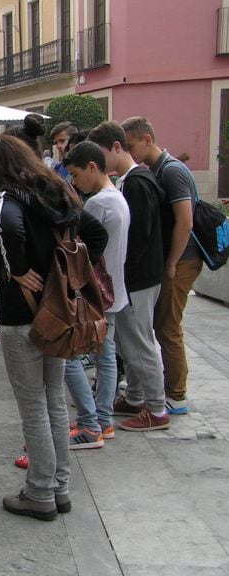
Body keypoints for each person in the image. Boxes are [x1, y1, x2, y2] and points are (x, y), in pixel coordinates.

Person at [0, 135, 107, 521]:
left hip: (23, 314)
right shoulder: (57, 189)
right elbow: (96, 234)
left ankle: (39, 493)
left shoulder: (8, 196)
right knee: (52, 400)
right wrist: (67, 274)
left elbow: (11, 230)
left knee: (33, 406)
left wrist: (18, 270)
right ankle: (59, 488)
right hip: (57, 310)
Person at [87, 121, 170, 432]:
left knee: (140, 342)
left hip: (139, 280)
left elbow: (139, 236)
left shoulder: (136, 182)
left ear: (117, 148)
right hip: (136, 279)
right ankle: (135, 397)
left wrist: (123, 273)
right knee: (130, 342)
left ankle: (157, 408)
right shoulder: (131, 181)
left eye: (101, 154)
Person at [121, 117, 201, 415]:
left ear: (147, 139)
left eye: (131, 145)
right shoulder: (154, 170)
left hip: (183, 258)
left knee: (168, 328)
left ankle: (176, 396)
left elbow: (185, 221)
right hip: (173, 258)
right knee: (158, 327)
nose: (130, 152)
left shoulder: (172, 171)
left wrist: (171, 263)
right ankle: (151, 391)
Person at [62, 141, 131, 448]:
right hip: (114, 290)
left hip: (98, 292)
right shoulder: (117, 196)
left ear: (92, 167)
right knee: (106, 354)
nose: (74, 182)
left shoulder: (98, 204)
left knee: (73, 356)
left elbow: (85, 248)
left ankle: (92, 422)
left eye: (76, 175)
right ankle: (102, 420)